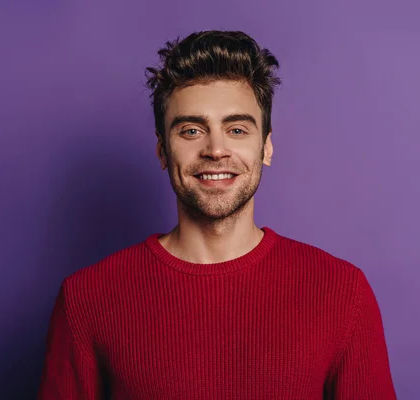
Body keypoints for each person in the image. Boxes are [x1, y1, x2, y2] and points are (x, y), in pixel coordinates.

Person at [37, 30, 397, 400]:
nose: (216, 149)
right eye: (192, 130)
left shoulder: (342, 292)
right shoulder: (86, 298)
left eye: (236, 129)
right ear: (163, 151)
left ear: (266, 146)